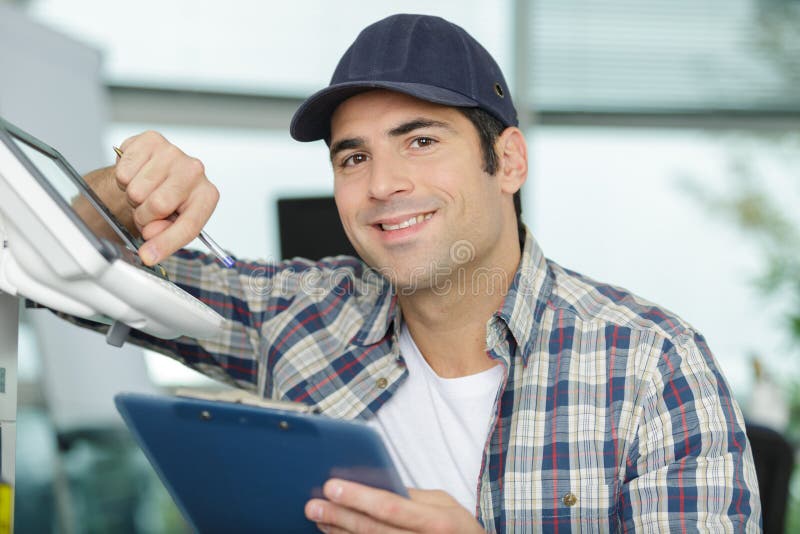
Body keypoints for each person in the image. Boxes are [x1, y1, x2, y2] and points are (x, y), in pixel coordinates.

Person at [78, 14, 760, 532]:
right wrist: (123, 190)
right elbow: (67, 269)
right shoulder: (295, 315)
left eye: (422, 141)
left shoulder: (651, 363)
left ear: (509, 163)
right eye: (353, 158)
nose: (383, 185)